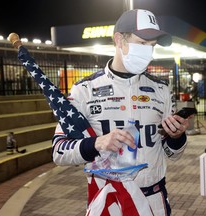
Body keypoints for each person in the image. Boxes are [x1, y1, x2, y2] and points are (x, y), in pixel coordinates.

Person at [52, 9, 190, 215]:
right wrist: (97, 143)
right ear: (119, 40)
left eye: (152, 46)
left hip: (154, 200)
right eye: (142, 43)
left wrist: (176, 137)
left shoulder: (161, 90)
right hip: (109, 200)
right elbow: (59, 151)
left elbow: (172, 153)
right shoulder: (84, 90)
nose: (148, 52)